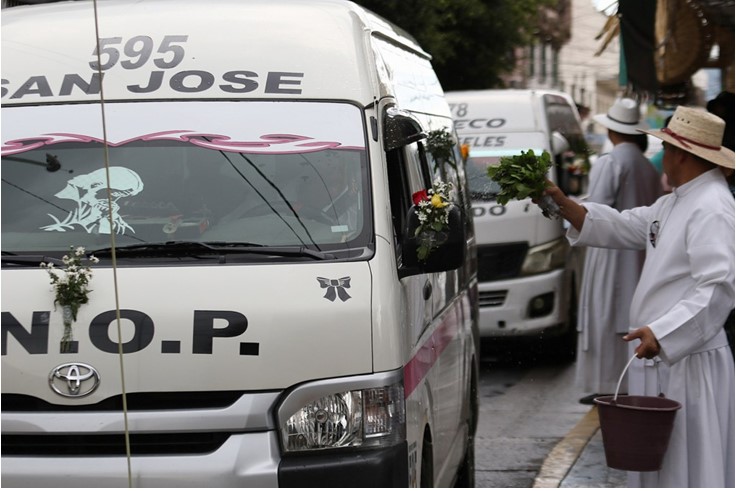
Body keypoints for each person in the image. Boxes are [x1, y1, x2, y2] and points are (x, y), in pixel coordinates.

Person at [539, 105, 735, 488]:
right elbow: (625, 225)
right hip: (667, 355)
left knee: (689, 464)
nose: (662, 157)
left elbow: (720, 286)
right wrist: (562, 202)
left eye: (667, 149)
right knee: (665, 465)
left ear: (680, 154)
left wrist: (663, 332)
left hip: (688, 360)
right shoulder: (679, 199)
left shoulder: (712, 207)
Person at [576, 98, 663, 405]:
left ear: (612, 130)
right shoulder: (646, 165)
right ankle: (624, 381)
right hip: (640, 248)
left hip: (611, 244)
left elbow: (593, 208)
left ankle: (607, 383)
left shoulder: (611, 162)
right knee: (627, 313)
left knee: (604, 310)